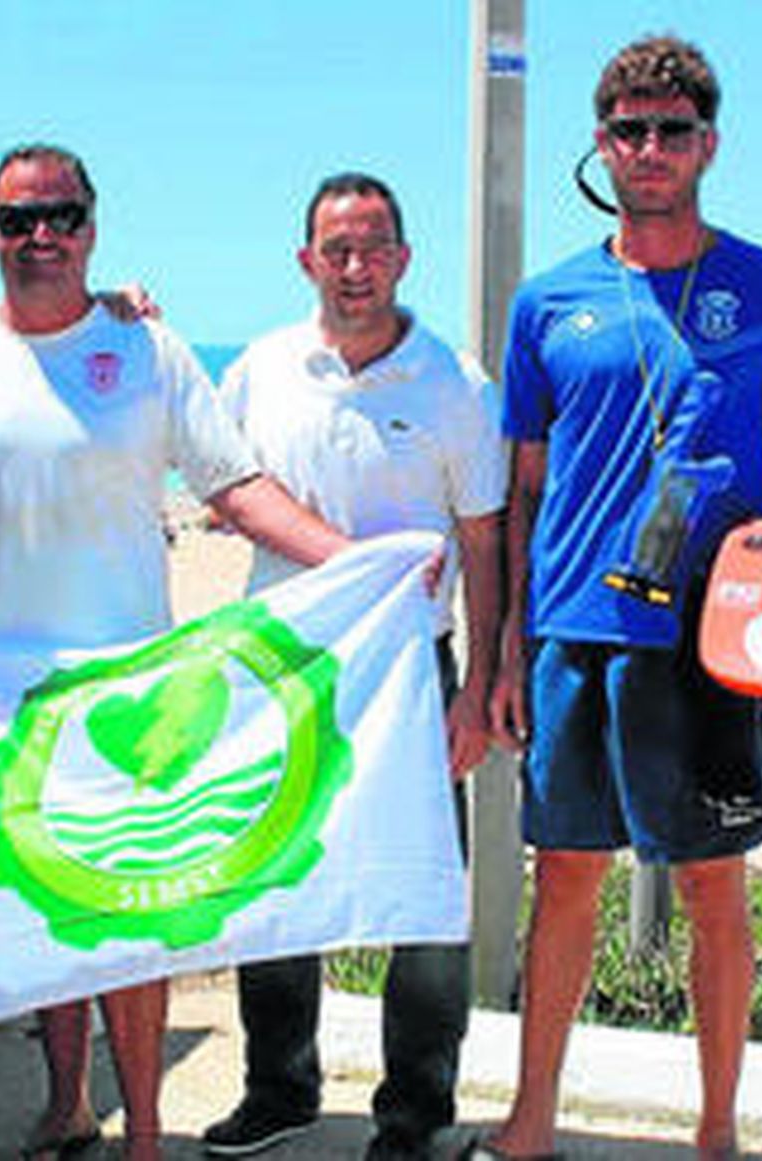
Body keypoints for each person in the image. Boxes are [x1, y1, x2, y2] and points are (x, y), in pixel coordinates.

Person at [0, 144, 351, 1161]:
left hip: (138, 682)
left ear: (92, 227)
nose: (39, 236)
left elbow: (234, 485)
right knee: (51, 908)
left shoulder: (149, 351)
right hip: (5, 695)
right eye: (16, 219)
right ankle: (66, 1106)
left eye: (61, 216)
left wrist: (356, 560)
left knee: (136, 911)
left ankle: (144, 1127)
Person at [477, 34, 762, 1160]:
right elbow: (524, 494)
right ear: (601, 142)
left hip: (712, 641)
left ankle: (718, 1132)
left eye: (670, 129)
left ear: (707, 144)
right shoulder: (548, 302)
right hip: (575, 633)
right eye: (629, 129)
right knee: (567, 884)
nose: (649, 148)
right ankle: (531, 1120)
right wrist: (500, 652)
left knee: (712, 893)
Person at [199, 173, 506, 1161]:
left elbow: (485, 541)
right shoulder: (259, 369)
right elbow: (216, 489)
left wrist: (477, 683)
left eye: (373, 246)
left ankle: (415, 1113)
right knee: (277, 884)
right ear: (305, 262)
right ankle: (277, 1087)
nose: (355, 266)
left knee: (424, 906)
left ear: (405, 258)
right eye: (336, 248)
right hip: (280, 667)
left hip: (414, 675)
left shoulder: (455, 384)